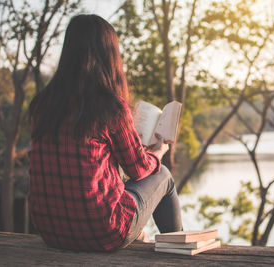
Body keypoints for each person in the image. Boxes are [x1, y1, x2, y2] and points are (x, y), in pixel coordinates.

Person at [28, 14, 182, 252]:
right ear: (109, 55)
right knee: (163, 176)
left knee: (117, 184)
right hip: (102, 232)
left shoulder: (42, 104)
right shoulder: (109, 107)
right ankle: (180, 248)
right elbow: (138, 170)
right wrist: (158, 151)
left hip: (51, 231)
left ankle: (140, 235)